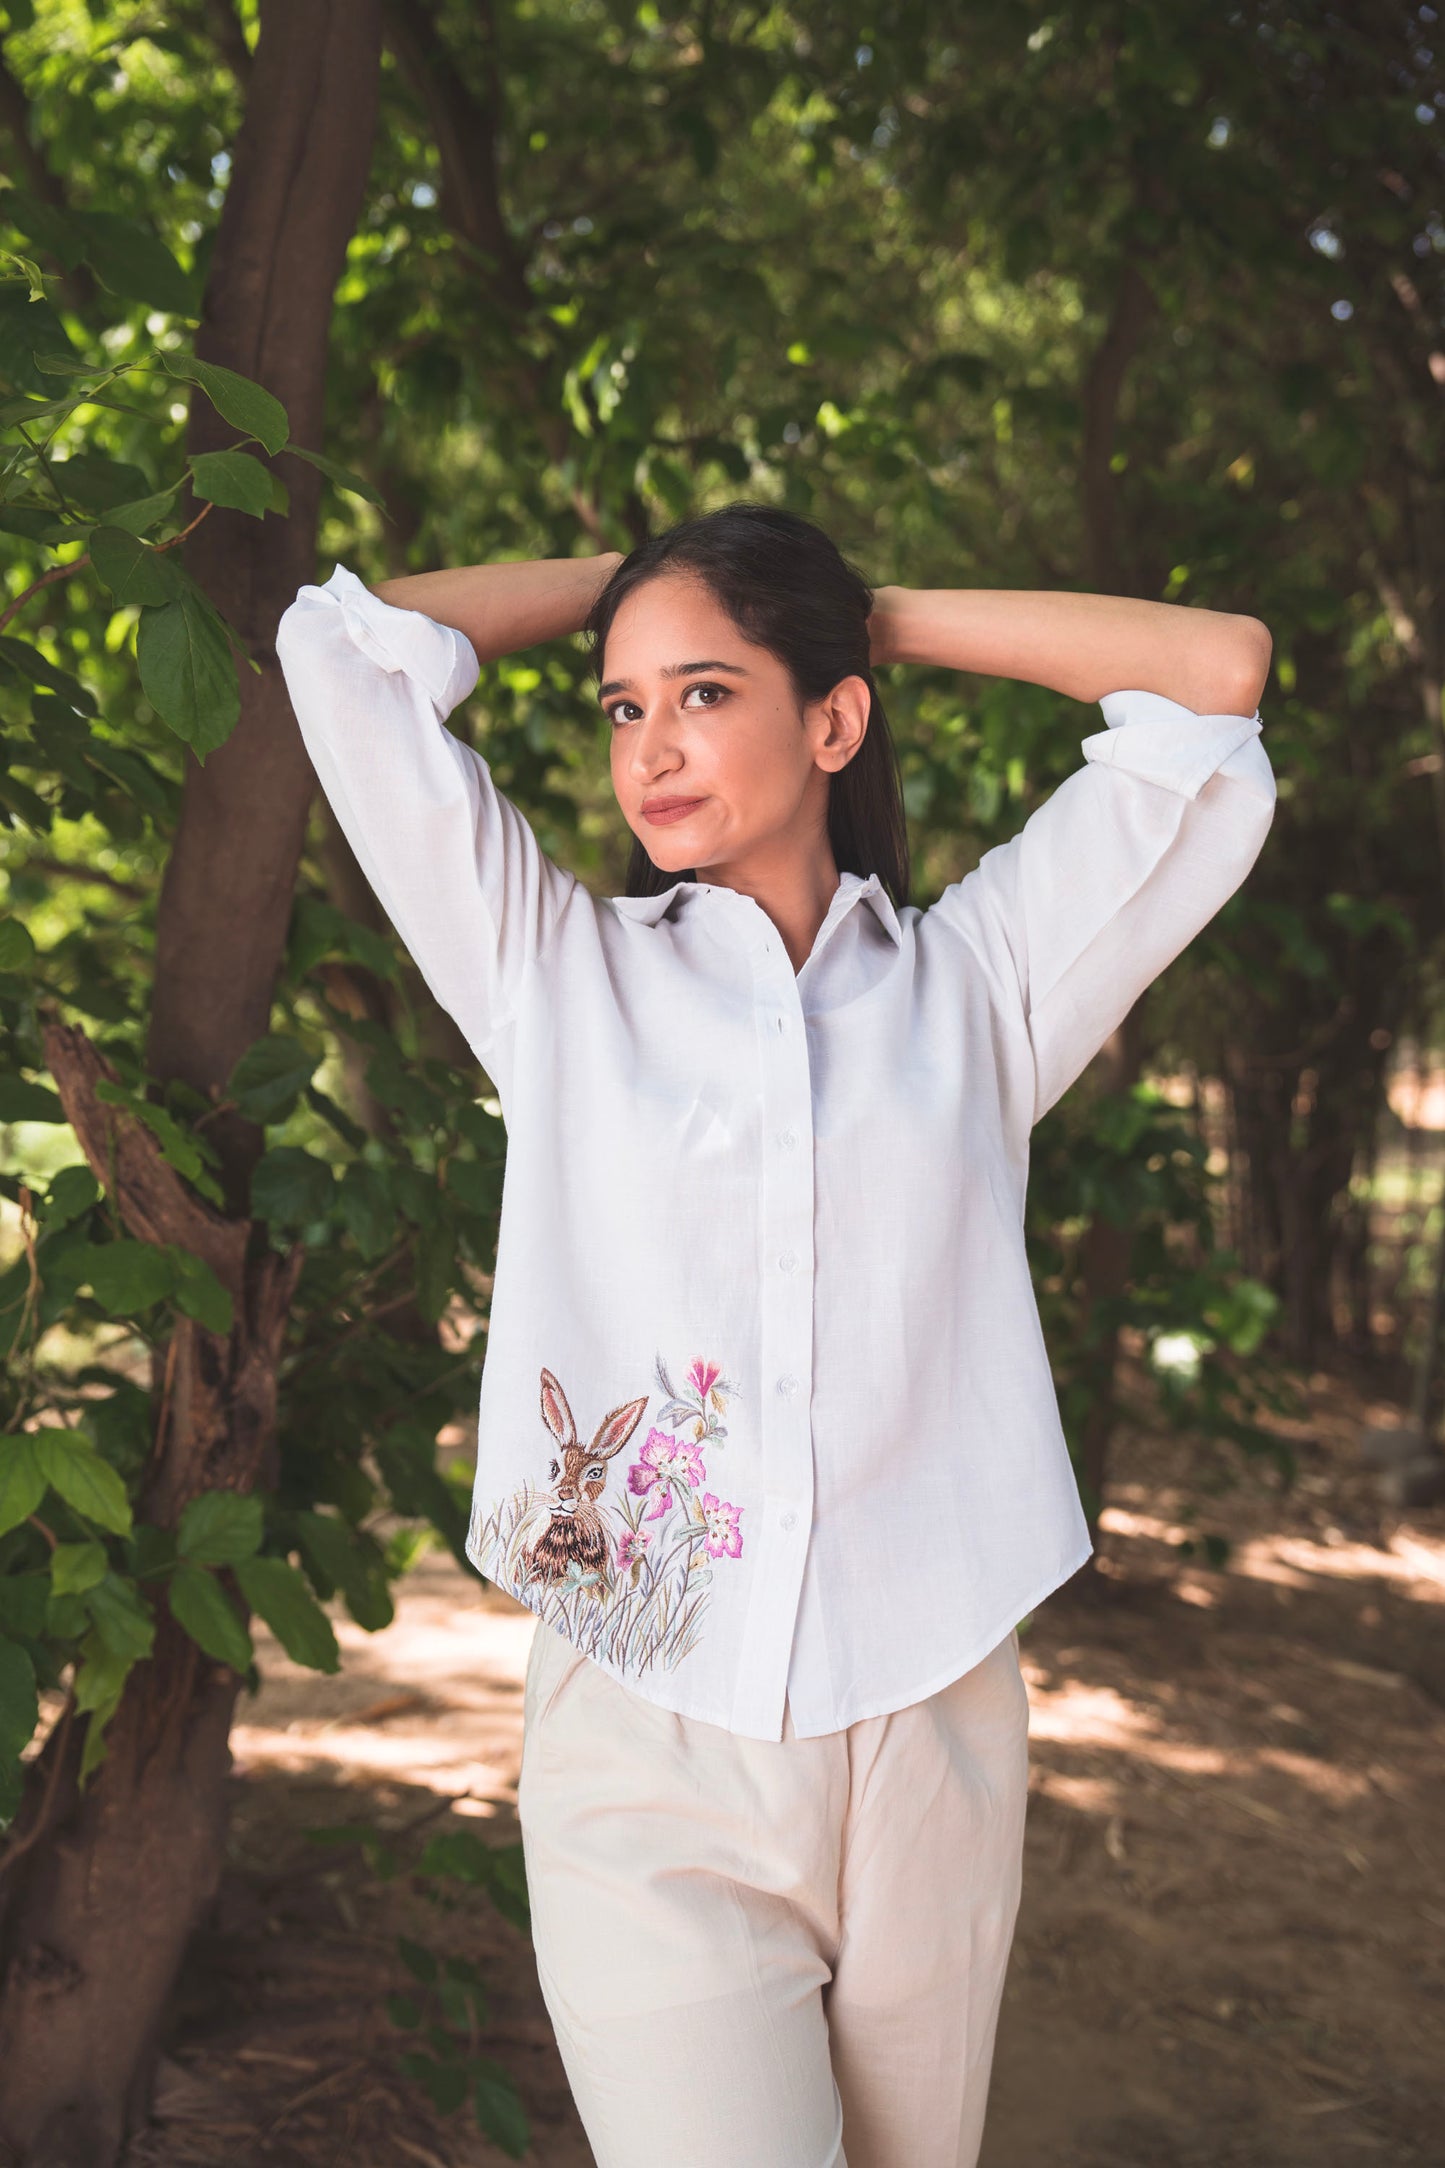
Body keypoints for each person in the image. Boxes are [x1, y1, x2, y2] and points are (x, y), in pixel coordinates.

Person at [276, 502, 1274, 2168]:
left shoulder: (979, 985)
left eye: (705, 694)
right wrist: (651, 598)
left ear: (832, 721)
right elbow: (345, 655)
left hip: (933, 1722)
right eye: (620, 705)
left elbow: (1210, 684)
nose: (649, 748)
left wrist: (863, 614)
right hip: (647, 1728)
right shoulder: (555, 975)